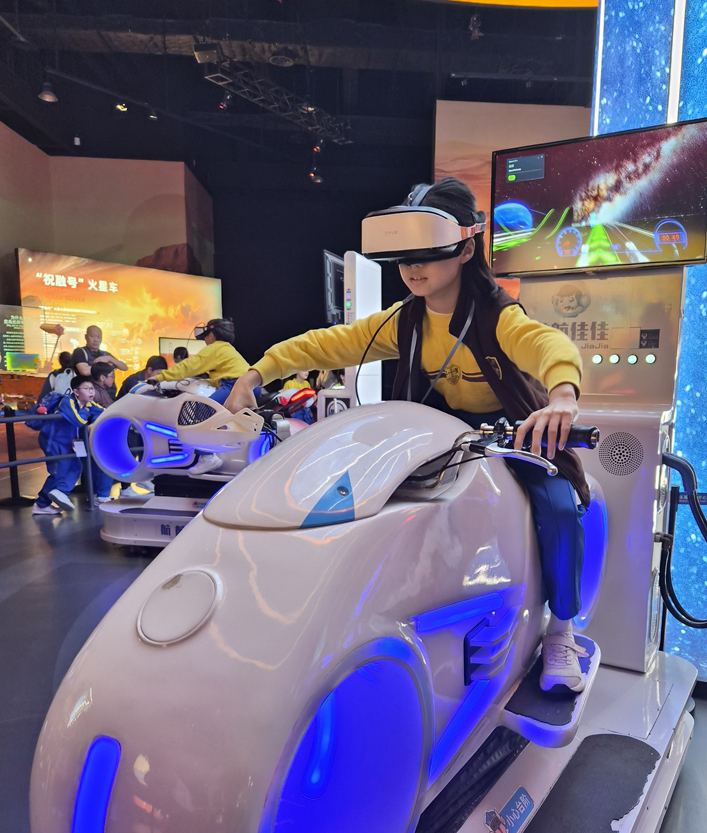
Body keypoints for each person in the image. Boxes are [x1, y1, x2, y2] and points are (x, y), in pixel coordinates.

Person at [225, 177, 589, 693]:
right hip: (435, 442)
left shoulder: (497, 315)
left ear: (465, 249)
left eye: (427, 253)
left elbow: (545, 344)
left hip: (509, 435)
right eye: (404, 257)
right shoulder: (403, 321)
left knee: (558, 506)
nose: (413, 267)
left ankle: (562, 630)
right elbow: (327, 344)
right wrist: (257, 372)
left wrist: (563, 394)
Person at [152, 319, 250, 475]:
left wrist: (160, 377)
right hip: (248, 386)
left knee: (200, 412)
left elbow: (190, 366)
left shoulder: (215, 348)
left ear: (211, 335)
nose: (205, 340)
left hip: (235, 386)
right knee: (219, 417)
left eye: (206, 336)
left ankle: (208, 457)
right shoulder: (228, 350)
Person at [32, 375, 114, 515]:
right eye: (86, 389)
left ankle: (60, 493)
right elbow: (79, 420)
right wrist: (85, 413)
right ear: (76, 391)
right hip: (53, 441)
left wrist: (94, 421)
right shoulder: (67, 402)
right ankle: (41, 503)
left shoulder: (88, 404)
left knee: (76, 467)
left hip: (67, 442)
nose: (91, 392)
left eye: (92, 389)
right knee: (59, 471)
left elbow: (104, 413)